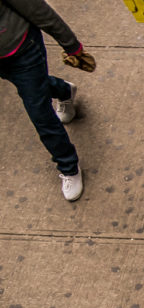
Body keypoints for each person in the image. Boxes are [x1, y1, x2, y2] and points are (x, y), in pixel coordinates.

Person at [0, 0, 96, 201]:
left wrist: (71, 45)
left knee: (39, 113)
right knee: (34, 88)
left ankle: (69, 167)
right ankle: (63, 91)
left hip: (23, 52)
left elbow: (36, 8)